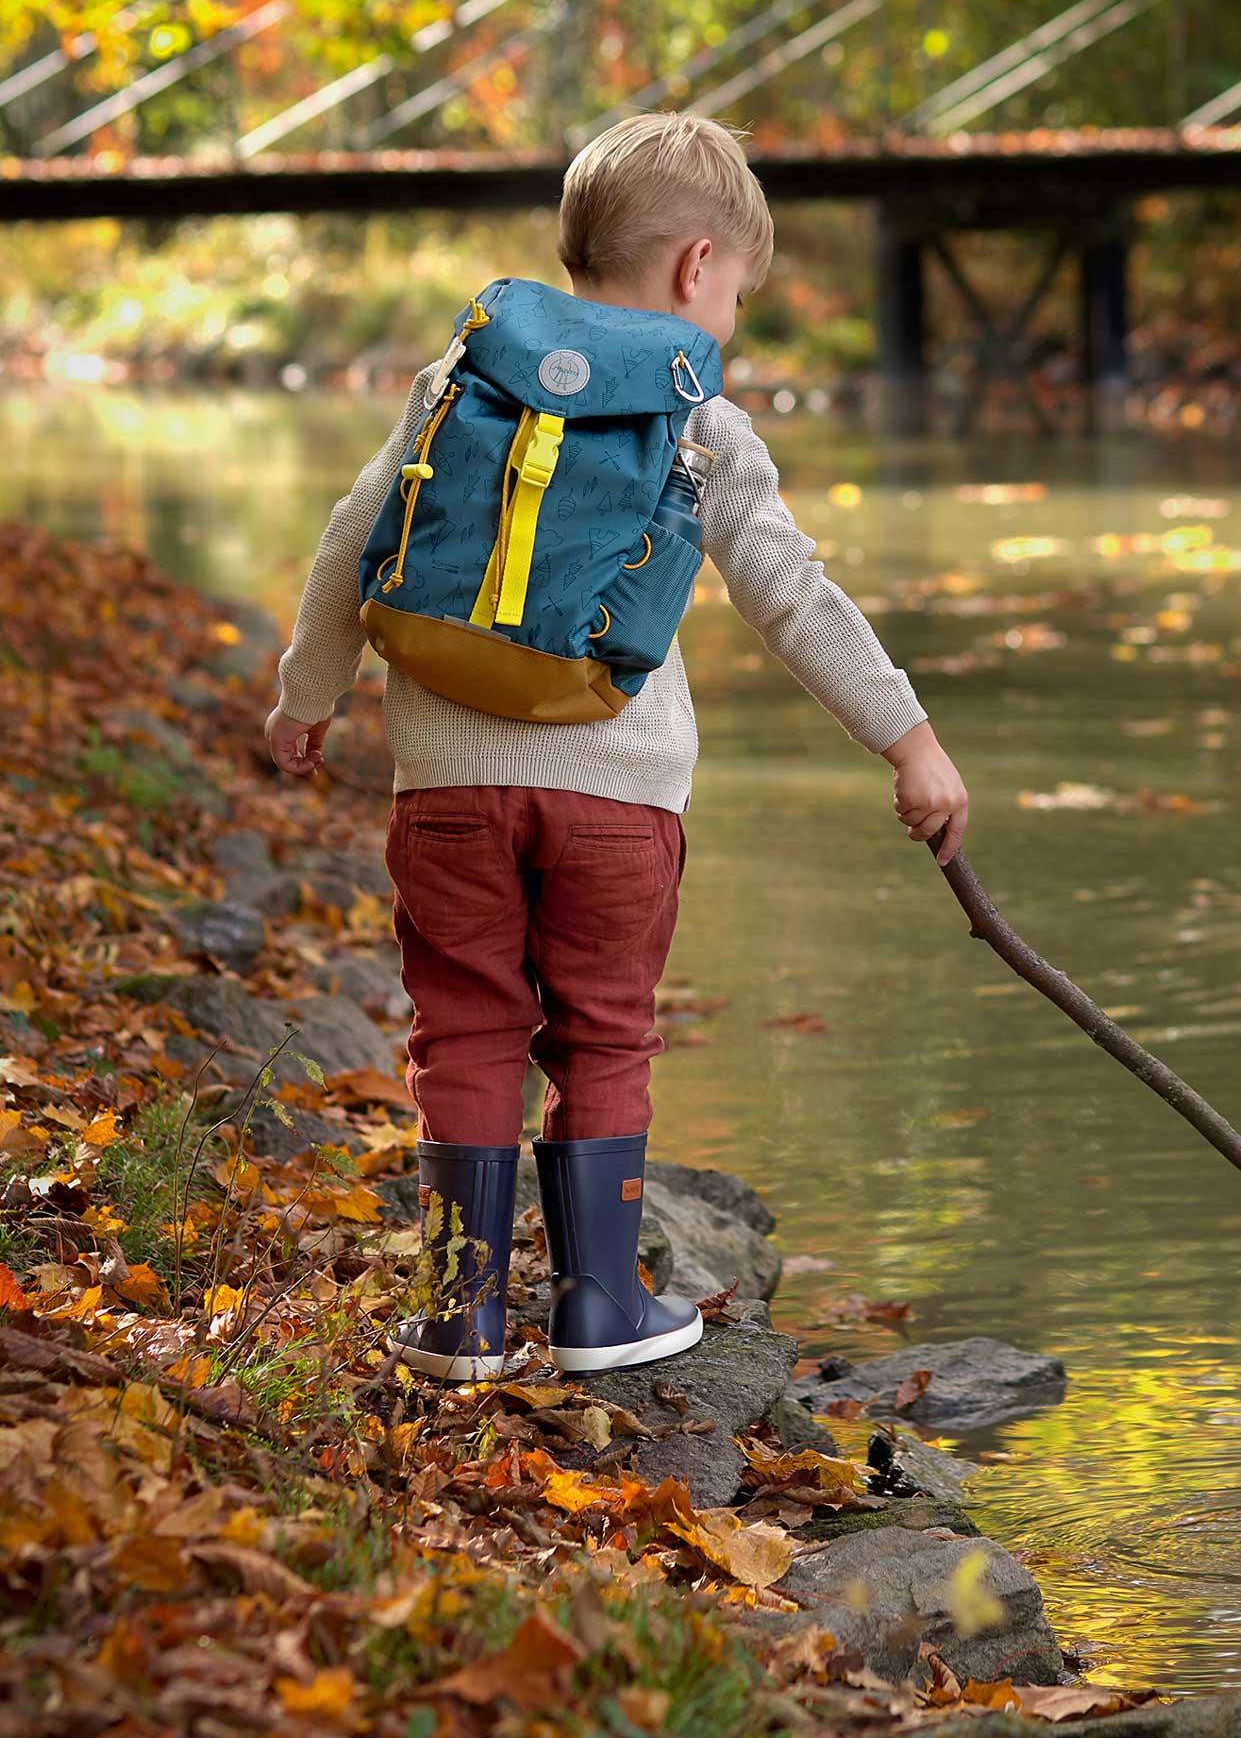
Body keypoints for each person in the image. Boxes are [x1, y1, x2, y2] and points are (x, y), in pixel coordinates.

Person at [263, 111, 969, 1381]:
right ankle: (598, 1303)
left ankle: (460, 1312)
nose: (733, 316)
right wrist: (907, 739)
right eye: (741, 292)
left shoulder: (457, 382)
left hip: (446, 789)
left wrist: (305, 697)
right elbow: (791, 595)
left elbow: (349, 537)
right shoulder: (703, 421)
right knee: (601, 1033)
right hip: (617, 795)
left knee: (466, 1027)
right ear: (699, 267)